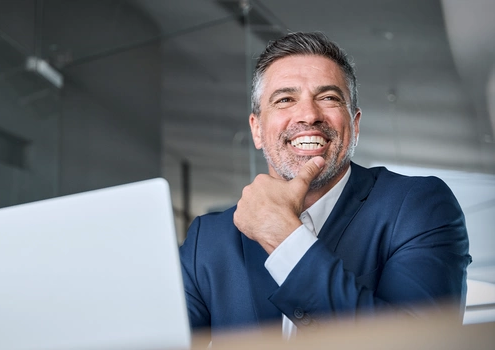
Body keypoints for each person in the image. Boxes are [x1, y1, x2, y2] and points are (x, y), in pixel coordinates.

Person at [179, 32, 471, 335]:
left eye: (329, 97)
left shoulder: (418, 205)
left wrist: (284, 237)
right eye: (285, 99)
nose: (308, 115)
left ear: (355, 126)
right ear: (257, 129)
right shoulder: (208, 239)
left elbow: (418, 342)